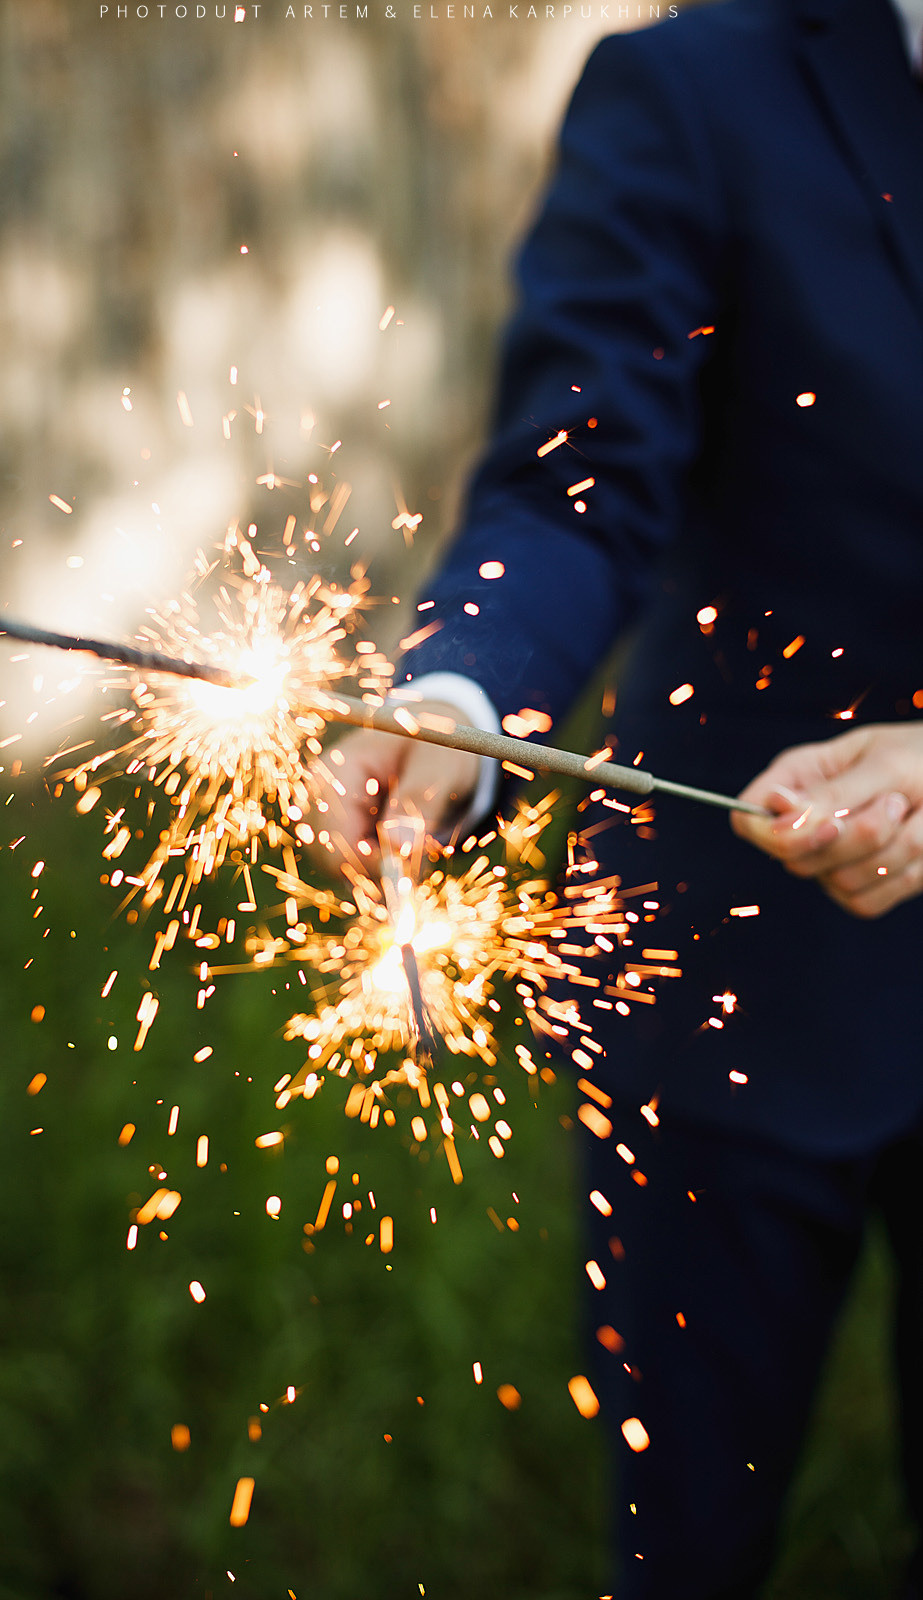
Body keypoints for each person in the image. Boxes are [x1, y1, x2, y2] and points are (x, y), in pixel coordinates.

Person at [317, 0, 923, 1593]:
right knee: (686, 1547)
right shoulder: (696, 82)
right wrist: (465, 693)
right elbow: (575, 477)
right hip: (726, 979)